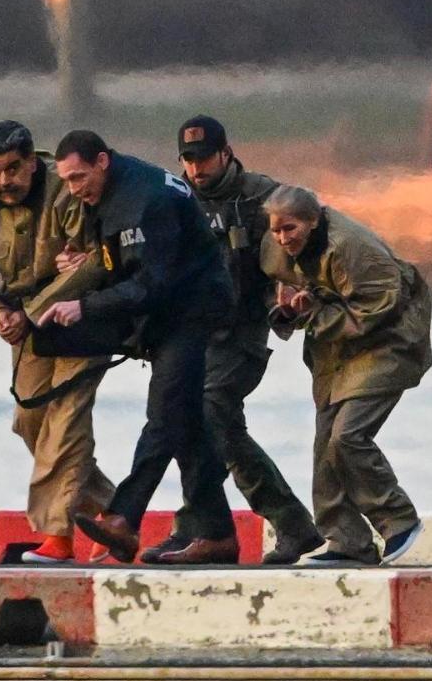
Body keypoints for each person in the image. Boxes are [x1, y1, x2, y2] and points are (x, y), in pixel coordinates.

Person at [37, 130, 238, 565]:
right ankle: (217, 532)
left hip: (192, 309)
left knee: (164, 412)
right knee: (185, 424)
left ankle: (123, 518)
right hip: (162, 315)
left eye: (78, 177)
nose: (73, 189)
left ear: (103, 162)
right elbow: (117, 264)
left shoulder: (151, 199)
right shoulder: (101, 198)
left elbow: (154, 283)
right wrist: (82, 267)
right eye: (66, 181)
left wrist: (85, 306)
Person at [138, 115, 323, 566]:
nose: (197, 169)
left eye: (204, 158)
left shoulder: (262, 197)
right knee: (195, 422)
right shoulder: (169, 199)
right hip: (188, 336)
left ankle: (214, 526)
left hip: (240, 332)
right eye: (188, 159)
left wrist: (291, 284)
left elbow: (310, 235)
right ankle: (219, 527)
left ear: (226, 153)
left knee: (209, 413)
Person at [0, 120, 115, 564]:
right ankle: (115, 511)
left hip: (81, 317)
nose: (3, 180)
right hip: (23, 326)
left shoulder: (66, 192)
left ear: (32, 161)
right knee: (31, 422)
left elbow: (94, 264)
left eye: (12, 169)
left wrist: (31, 311)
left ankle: (57, 539)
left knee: (67, 421)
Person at [260, 185, 430, 566]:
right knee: (325, 444)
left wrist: (316, 311)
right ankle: (347, 540)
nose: (283, 239)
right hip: (335, 350)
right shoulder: (275, 249)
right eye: (276, 230)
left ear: (314, 221)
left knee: (348, 435)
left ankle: (398, 519)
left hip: (390, 341)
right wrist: (288, 309)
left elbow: (382, 305)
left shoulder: (352, 247)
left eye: (291, 229)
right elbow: (278, 290)